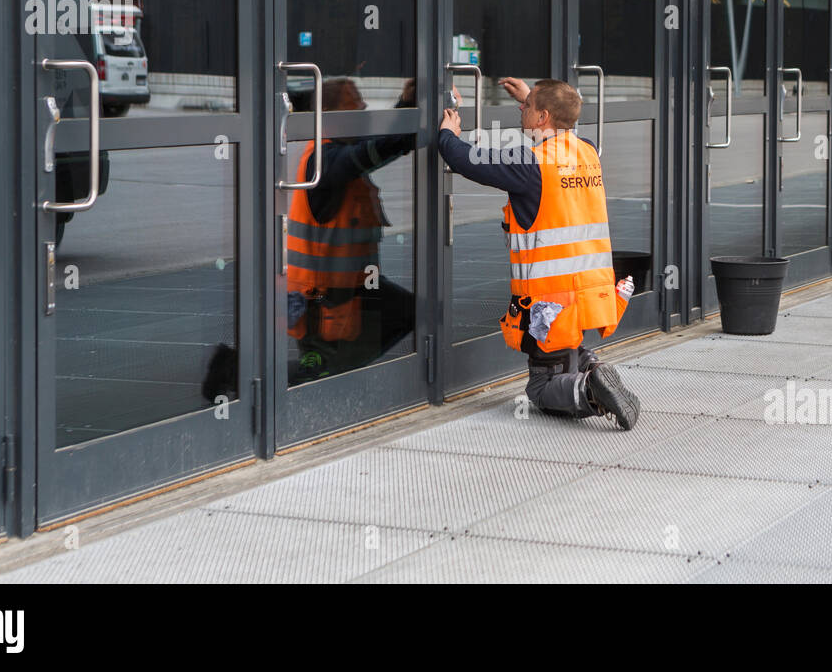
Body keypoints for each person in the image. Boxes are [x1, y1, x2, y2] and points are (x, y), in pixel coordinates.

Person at [438, 76, 641, 429]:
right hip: (590, 292)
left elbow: (469, 161)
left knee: (541, 387)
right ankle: (592, 368)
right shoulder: (587, 151)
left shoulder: (530, 166)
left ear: (543, 117)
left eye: (528, 107)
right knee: (566, 350)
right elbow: (556, 139)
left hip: (550, 303)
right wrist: (535, 95)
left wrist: (448, 133)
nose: (521, 109)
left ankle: (590, 388)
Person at [201, 77, 416, 402]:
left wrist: (407, 107)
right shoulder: (324, 160)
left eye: (361, 102)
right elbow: (374, 151)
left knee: (410, 312)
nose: (363, 108)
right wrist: (409, 123)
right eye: (353, 104)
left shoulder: (338, 146)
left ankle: (344, 368)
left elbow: (376, 144)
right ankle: (235, 369)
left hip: (352, 285)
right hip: (321, 298)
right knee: (320, 371)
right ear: (328, 114)